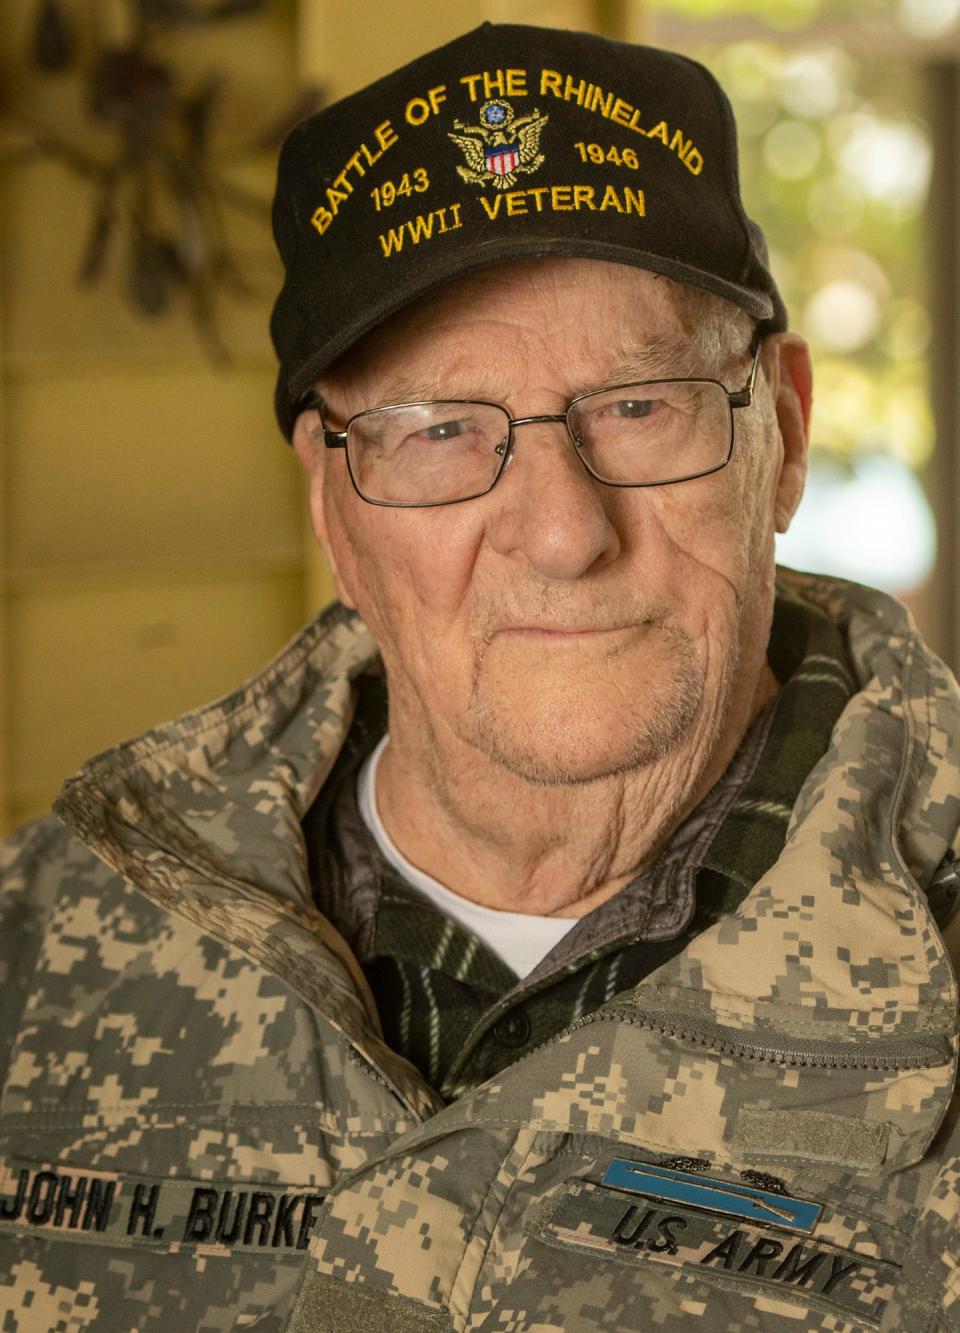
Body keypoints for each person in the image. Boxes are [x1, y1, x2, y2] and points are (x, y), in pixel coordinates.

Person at [1, 21, 959, 1333]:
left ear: (783, 434)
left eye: (638, 405)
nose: (562, 532)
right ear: (337, 505)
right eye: (442, 430)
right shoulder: (43, 942)